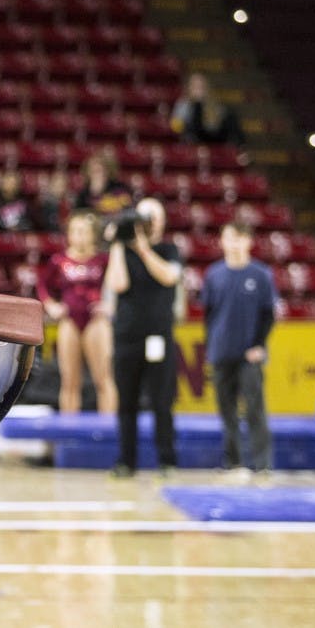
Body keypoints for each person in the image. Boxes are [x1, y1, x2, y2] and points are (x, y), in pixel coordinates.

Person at [104, 198, 183, 477]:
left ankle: (167, 459)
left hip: (158, 335)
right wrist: (117, 243)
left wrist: (143, 249)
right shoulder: (122, 251)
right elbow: (117, 284)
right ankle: (126, 461)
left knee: (162, 401)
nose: (149, 222)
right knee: (126, 402)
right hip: (127, 336)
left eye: (154, 216)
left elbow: (169, 277)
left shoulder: (169, 249)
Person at [201, 221, 277, 474]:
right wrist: (213, 346)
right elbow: (209, 314)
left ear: (248, 241)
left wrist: (258, 345)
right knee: (227, 411)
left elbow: (268, 314)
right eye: (228, 237)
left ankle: (262, 464)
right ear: (221, 241)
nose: (233, 243)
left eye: (238, 238)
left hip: (249, 354)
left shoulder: (260, 275)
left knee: (255, 408)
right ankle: (233, 462)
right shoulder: (214, 274)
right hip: (222, 352)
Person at [38, 212, 118, 414]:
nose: (79, 235)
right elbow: (43, 286)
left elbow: (120, 284)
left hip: (96, 321)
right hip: (69, 321)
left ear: (93, 234)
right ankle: (69, 432)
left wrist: (111, 306)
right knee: (69, 380)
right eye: (74, 231)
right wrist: (51, 306)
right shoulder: (58, 261)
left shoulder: (103, 259)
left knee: (104, 378)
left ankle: (108, 431)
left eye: (83, 231)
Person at [171, 72, 246, 147]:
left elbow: (214, 128)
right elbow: (177, 128)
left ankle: (240, 148)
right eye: (195, 86)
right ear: (188, 88)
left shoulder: (213, 103)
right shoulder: (183, 104)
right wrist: (197, 105)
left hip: (212, 139)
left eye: (201, 86)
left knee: (230, 116)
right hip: (193, 141)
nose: (198, 90)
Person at [73, 152, 133, 218]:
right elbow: (80, 217)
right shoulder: (83, 196)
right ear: (88, 173)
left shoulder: (121, 188)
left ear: (108, 171)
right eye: (94, 171)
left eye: (100, 170)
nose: (98, 175)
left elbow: (129, 209)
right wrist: (95, 191)